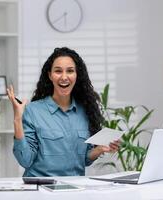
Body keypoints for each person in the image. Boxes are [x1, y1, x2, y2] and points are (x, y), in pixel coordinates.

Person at [7, 47, 119, 177]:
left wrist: (100, 149)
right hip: (40, 189)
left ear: (77, 75)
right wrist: (17, 120)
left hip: (73, 189)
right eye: (58, 71)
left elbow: (83, 160)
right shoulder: (33, 111)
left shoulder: (85, 111)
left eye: (70, 71)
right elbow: (25, 160)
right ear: (50, 75)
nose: (64, 77)